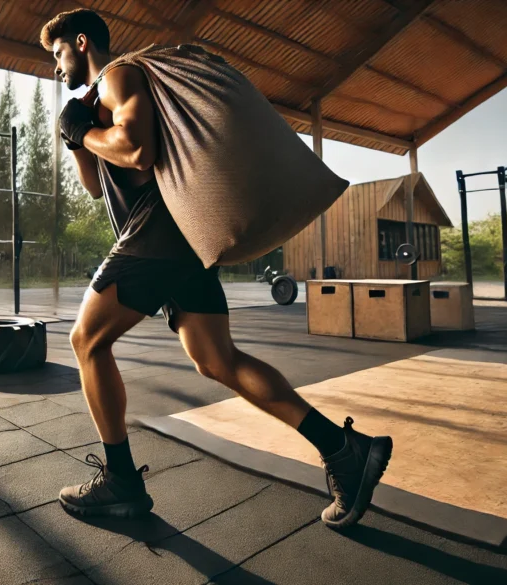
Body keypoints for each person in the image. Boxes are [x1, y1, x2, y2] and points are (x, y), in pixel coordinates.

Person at [41, 9, 392, 529]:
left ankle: (121, 482)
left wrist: (86, 134)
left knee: (86, 341)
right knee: (217, 359)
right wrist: (77, 134)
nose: (54, 67)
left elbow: (138, 152)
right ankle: (344, 448)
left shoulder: (118, 75)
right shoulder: (96, 103)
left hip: (157, 233)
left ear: (81, 42)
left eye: (57, 54)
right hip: (178, 244)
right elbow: (96, 186)